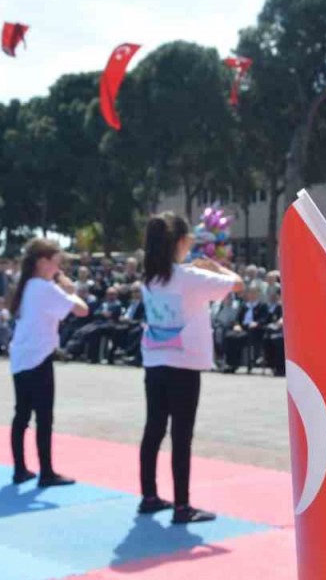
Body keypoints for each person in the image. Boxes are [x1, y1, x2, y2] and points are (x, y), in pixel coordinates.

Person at [138, 212, 243, 524]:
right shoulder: (188, 277)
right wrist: (215, 266)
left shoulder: (149, 279)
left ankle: (148, 495)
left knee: (153, 430)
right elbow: (236, 285)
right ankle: (182, 505)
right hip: (183, 366)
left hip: (155, 362)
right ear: (180, 242)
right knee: (181, 435)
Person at [8, 238, 89, 486]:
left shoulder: (26, 286)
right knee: (43, 417)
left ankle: (20, 468)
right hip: (39, 357)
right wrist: (67, 288)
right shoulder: (44, 287)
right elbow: (82, 310)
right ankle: (46, 471)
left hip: (21, 356)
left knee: (22, 414)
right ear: (42, 262)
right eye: (56, 262)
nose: (59, 267)